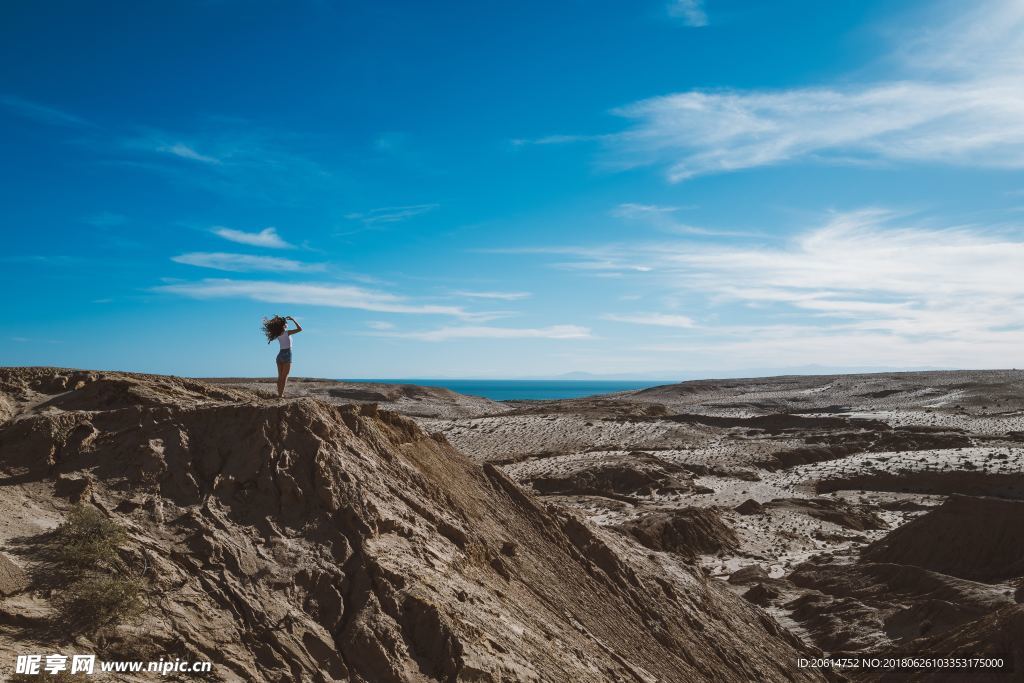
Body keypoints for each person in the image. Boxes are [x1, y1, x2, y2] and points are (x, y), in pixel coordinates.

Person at [261, 315, 302, 397]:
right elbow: (300, 329)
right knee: (284, 377)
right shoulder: (287, 332)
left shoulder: (278, 334)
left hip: (279, 355)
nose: (287, 324)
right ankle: (280, 395)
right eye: (286, 323)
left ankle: (279, 394)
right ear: (283, 325)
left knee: (280, 377)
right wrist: (293, 320)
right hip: (287, 354)